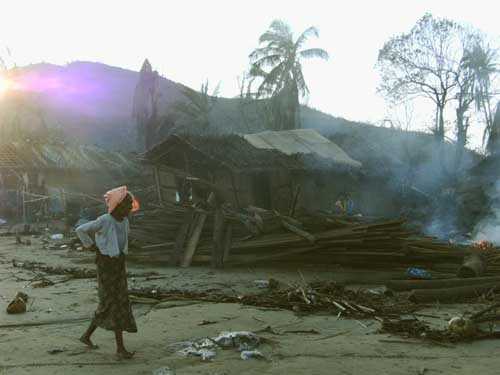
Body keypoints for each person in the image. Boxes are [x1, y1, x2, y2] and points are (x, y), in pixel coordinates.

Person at [75, 186, 140, 359]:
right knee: (114, 303)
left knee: (112, 303)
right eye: (126, 205)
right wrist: (92, 247)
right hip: (105, 265)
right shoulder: (104, 220)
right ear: (117, 205)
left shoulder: (125, 222)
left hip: (118, 264)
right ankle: (120, 349)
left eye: (129, 205)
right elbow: (80, 230)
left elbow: (121, 241)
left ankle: (86, 336)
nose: (129, 209)